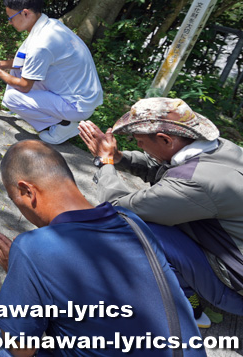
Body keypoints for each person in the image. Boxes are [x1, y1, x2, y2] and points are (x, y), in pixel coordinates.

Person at [0, 140, 203, 356]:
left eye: (15, 200)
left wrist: (19, 274)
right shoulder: (130, 220)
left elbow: (20, 350)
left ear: (27, 191)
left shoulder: (33, 247)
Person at [79, 97, 243, 325]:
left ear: (165, 139)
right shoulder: (222, 148)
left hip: (236, 290)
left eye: (139, 142)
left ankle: (189, 308)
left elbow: (117, 208)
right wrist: (119, 158)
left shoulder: (195, 182)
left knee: (138, 228)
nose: (138, 147)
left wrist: (105, 163)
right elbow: (164, 166)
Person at [0, 0, 102, 145]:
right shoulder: (49, 25)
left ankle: (64, 125)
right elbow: (23, 62)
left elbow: (25, 86)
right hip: (77, 93)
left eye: (11, 17)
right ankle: (36, 112)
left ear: (25, 13)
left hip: (76, 104)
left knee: (12, 98)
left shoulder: (41, 44)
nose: (9, 22)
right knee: (16, 70)